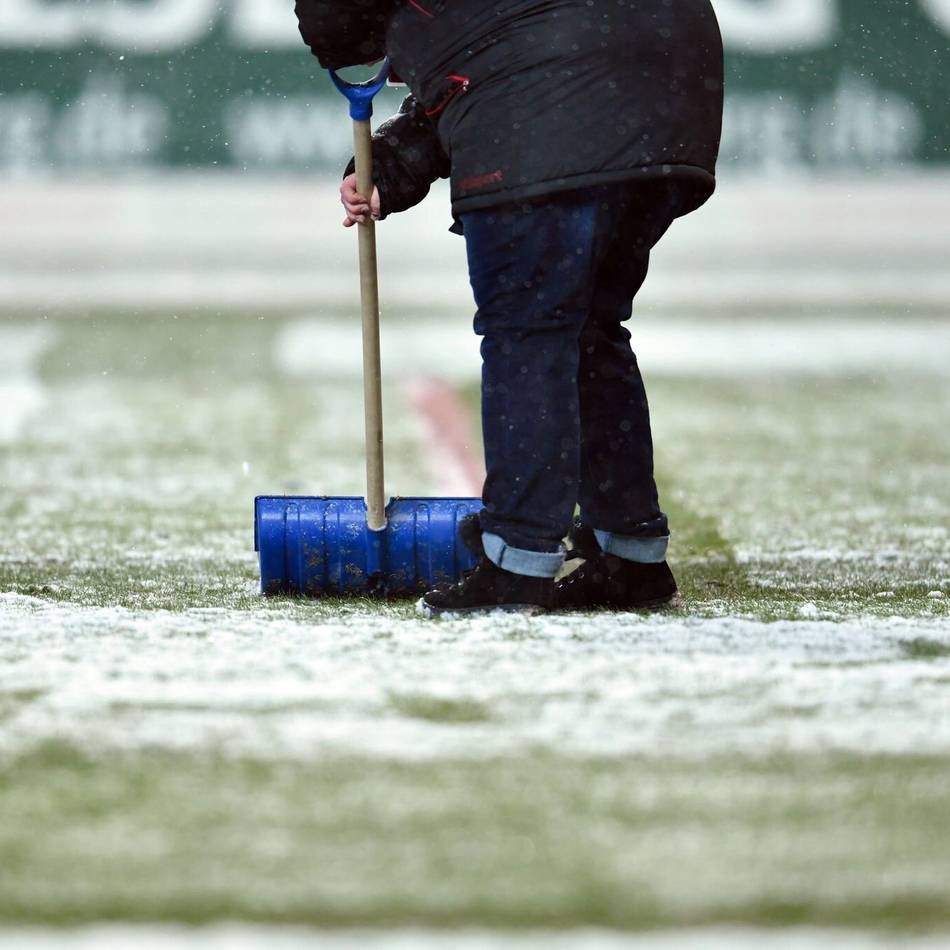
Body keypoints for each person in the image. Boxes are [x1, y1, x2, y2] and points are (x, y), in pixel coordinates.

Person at [294, 0, 724, 616]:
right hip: (670, 88)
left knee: (529, 333)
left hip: (550, 99)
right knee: (589, 331)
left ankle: (516, 561)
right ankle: (631, 558)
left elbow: (501, 58)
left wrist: (343, 39)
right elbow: (497, 51)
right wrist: (389, 163)